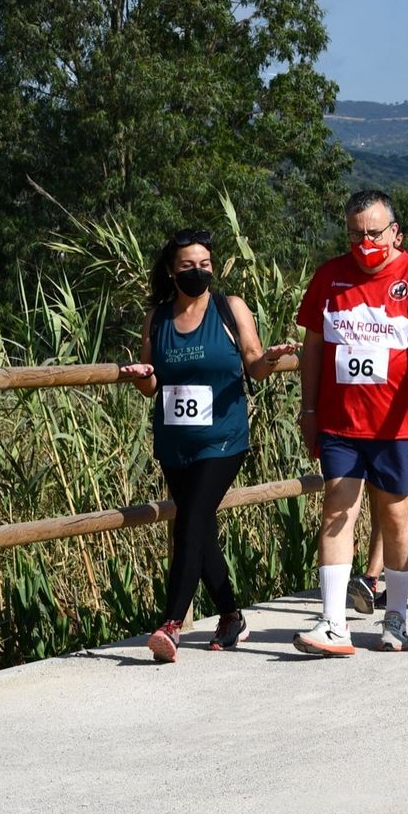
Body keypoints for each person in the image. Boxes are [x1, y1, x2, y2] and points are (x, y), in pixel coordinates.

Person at [122, 229, 299, 662]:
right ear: (172, 271)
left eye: (205, 264)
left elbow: (254, 365)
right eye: (188, 266)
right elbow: (152, 383)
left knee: (189, 522)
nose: (198, 272)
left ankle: (170, 624)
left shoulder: (229, 308)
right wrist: (142, 377)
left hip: (223, 439)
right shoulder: (157, 319)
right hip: (175, 442)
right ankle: (231, 615)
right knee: (200, 530)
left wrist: (271, 358)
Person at [291, 190, 408, 655]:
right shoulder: (329, 277)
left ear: (394, 232)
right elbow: (313, 347)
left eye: (374, 233)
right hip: (341, 422)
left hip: (397, 426)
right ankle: (333, 622)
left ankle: (396, 615)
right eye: (355, 233)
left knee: (395, 516)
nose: (365, 242)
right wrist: (309, 409)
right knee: (336, 510)